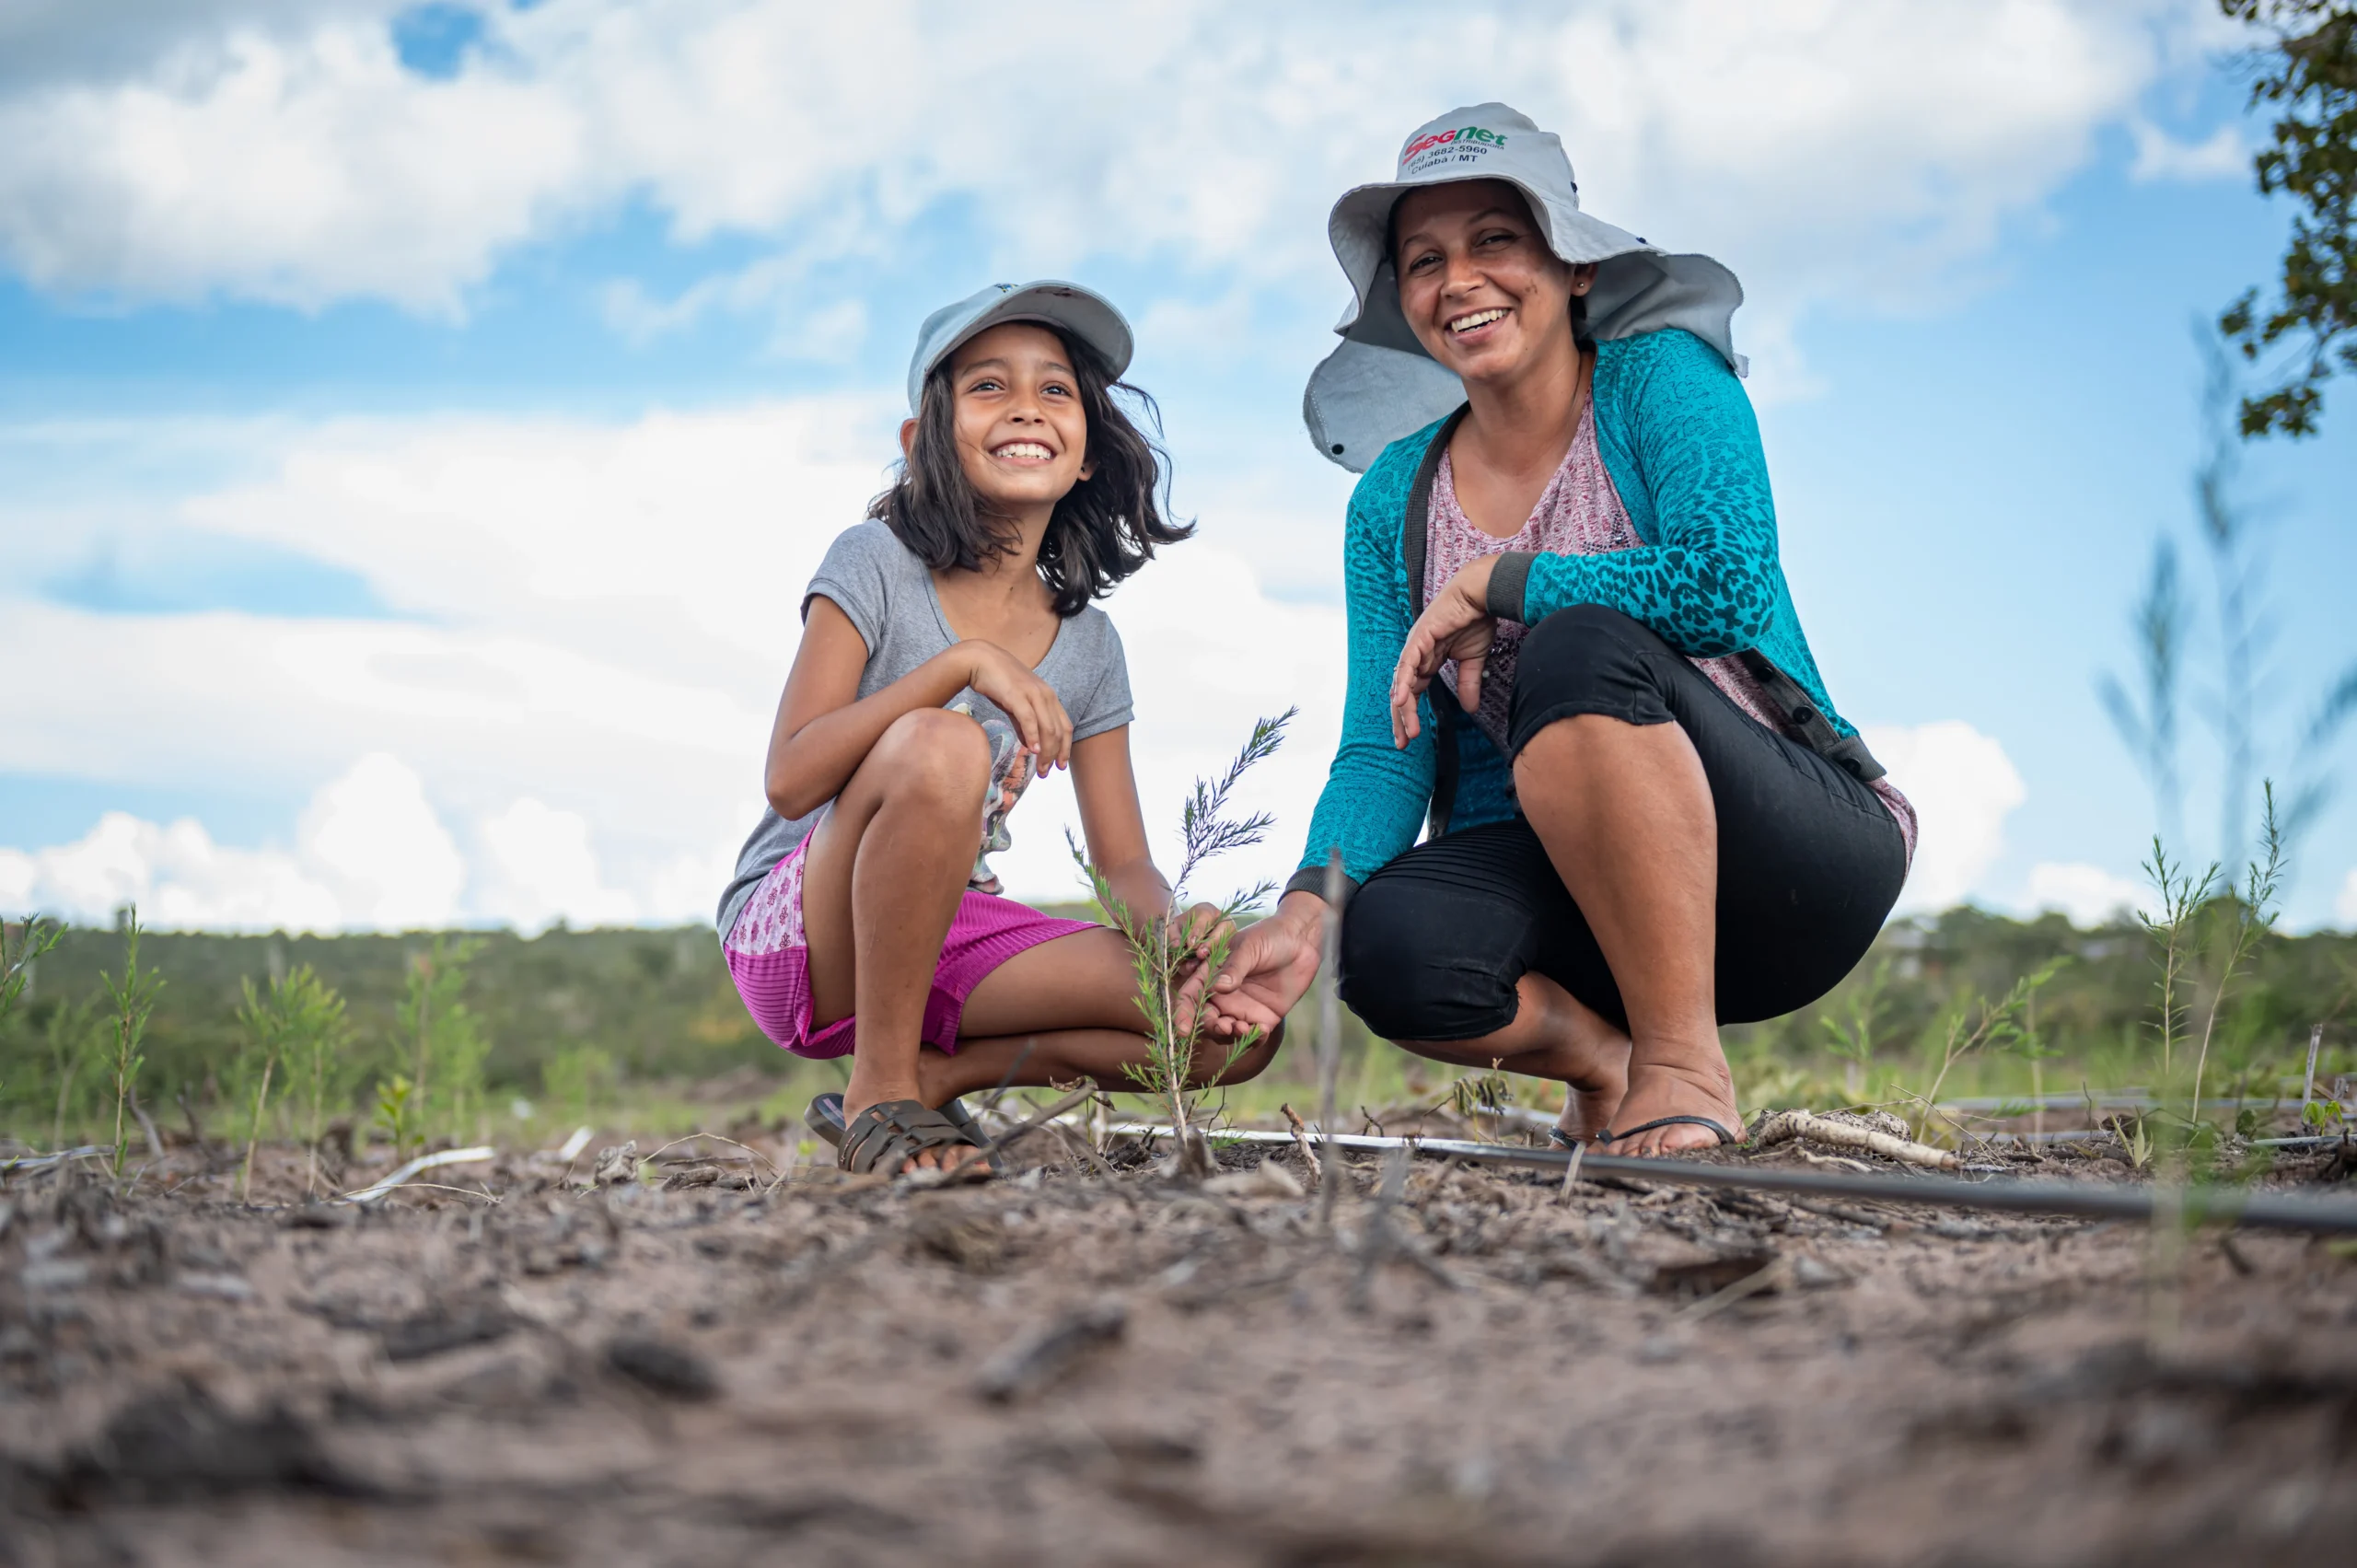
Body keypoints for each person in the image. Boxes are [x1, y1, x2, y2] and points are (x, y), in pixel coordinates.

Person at [1199, 105, 1916, 1157]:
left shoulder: (1662, 380)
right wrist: (1308, 904)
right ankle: (1607, 1058)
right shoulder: (1394, 498)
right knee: (1390, 948)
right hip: (1569, 883)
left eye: (1495, 240)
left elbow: (1722, 585)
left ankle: (1681, 1060)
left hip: (1787, 862)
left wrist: (1502, 580)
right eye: (1424, 260)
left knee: (1580, 642)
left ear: (1573, 264)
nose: (1459, 281)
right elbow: (1382, 743)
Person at [716, 281, 1274, 1177]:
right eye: (987, 386)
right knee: (945, 744)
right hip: (801, 936)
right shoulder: (874, 563)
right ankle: (880, 1095)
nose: (1025, 406)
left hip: (947, 928)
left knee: (1230, 1020)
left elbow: (1123, 863)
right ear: (919, 442)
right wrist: (957, 666)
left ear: (1088, 449)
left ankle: (938, 1075)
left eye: (1055, 389)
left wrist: (1172, 932)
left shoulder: (1090, 645)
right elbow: (789, 777)